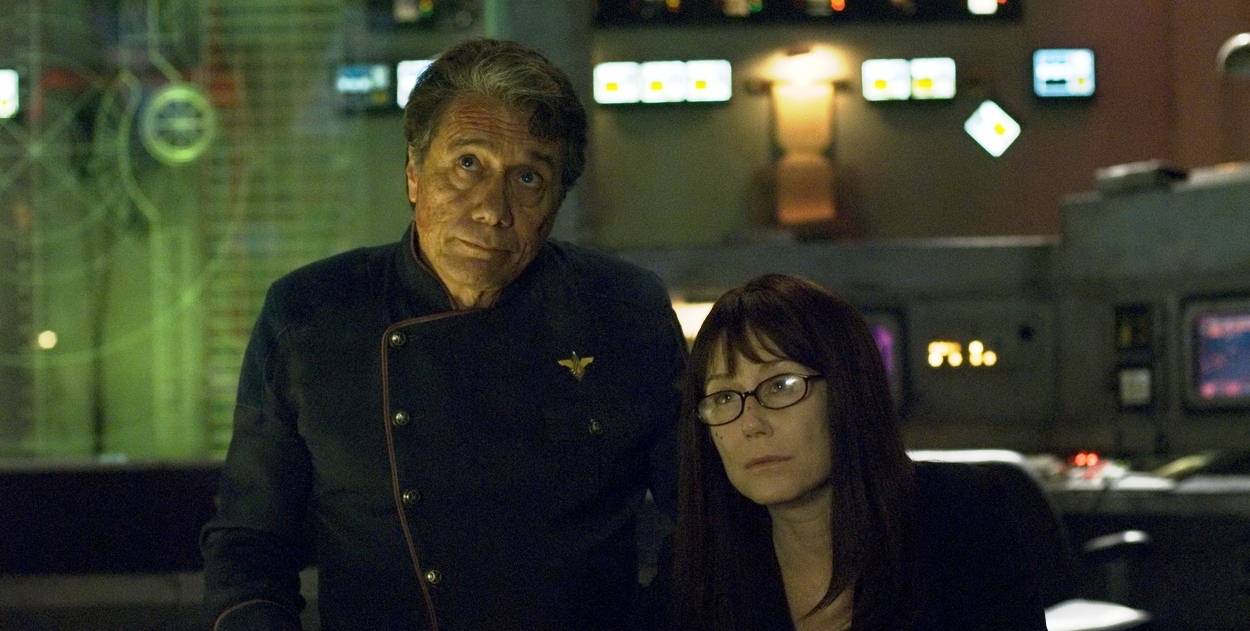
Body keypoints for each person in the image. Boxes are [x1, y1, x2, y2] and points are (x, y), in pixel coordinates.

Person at [201, 38, 686, 631]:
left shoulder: (623, 310)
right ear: (413, 173)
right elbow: (250, 544)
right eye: (468, 164)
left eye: (528, 177)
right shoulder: (310, 315)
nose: (492, 210)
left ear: (558, 200)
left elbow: (702, 518)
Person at [670, 274, 1046, 630]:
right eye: (724, 397)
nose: (751, 423)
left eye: (781, 385)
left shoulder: (963, 521)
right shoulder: (698, 570)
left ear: (847, 389)